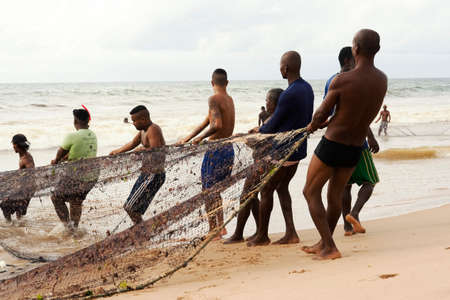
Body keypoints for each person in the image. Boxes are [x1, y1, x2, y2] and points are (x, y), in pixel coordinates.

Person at [302, 29, 387, 260]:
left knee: (310, 191)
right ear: (377, 50)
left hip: (332, 144)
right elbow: (356, 111)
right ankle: (324, 242)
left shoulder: (342, 80)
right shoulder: (382, 80)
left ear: (355, 49)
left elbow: (321, 113)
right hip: (355, 148)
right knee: (334, 196)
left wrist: (313, 125)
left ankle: (329, 247)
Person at [247, 51, 314, 246]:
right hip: (299, 149)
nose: (280, 69)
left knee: (266, 190)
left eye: (281, 66)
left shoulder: (288, 93)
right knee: (282, 188)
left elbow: (274, 123)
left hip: (283, 152)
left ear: (286, 68)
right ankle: (291, 233)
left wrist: (259, 129)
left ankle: (262, 235)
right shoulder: (307, 88)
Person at [323, 46, 381, 236]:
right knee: (370, 181)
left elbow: (329, 112)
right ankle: (354, 213)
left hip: (334, 142)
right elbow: (359, 114)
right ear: (349, 60)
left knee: (344, 186)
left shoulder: (331, 81)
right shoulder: (355, 80)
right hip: (357, 143)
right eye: (356, 59)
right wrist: (371, 137)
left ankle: (347, 226)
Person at [178, 68, 235, 239]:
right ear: (227, 83)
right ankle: (221, 227)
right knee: (215, 190)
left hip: (215, 149)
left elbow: (216, 125)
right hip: (228, 148)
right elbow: (207, 120)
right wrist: (189, 137)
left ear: (212, 83)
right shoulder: (229, 99)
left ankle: (213, 230)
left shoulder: (213, 99)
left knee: (208, 190)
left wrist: (200, 139)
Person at [224, 88, 283, 244]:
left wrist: (243, 138)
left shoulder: (272, 120)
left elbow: (262, 142)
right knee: (253, 196)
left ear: (275, 103)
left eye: (268, 101)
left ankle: (239, 234)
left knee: (247, 195)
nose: (266, 103)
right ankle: (259, 231)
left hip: (265, 162)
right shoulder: (274, 118)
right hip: (265, 162)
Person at [110, 105, 166, 225]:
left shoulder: (153, 129)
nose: (133, 123)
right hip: (146, 174)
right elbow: (132, 144)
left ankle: (143, 231)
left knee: (130, 207)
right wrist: (117, 151)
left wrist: (141, 150)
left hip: (154, 175)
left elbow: (156, 150)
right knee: (131, 207)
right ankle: (142, 230)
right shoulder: (142, 131)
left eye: (135, 121)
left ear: (144, 119)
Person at [51, 108, 98, 231]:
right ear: (88, 121)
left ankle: (68, 227)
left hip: (76, 175)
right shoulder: (93, 135)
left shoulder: (72, 136)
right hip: (92, 176)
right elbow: (79, 151)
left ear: (75, 121)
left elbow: (60, 152)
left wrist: (56, 160)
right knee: (76, 201)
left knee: (56, 197)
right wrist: (64, 158)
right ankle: (74, 229)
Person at [0, 134, 35, 222]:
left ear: (16, 145)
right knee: (18, 211)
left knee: (4, 206)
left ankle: (11, 226)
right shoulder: (23, 155)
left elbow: (31, 174)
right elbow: (22, 172)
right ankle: (19, 226)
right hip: (23, 189)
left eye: (13, 145)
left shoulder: (26, 158)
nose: (13, 147)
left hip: (26, 189)